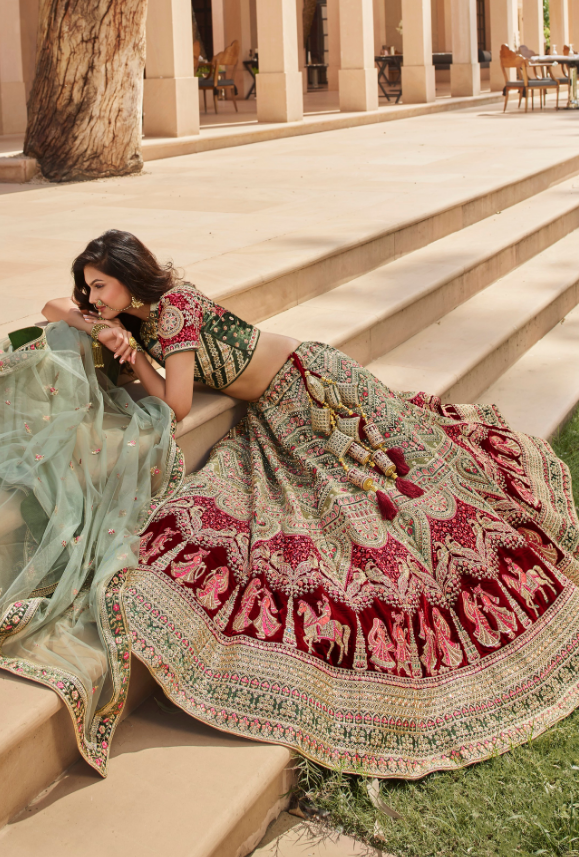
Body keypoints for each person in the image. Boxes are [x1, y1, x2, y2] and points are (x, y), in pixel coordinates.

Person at [2, 229, 579, 780]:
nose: (92, 296)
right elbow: (55, 307)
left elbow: (175, 406)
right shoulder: (132, 313)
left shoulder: (174, 308)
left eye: (101, 285)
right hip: (274, 404)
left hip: (309, 386)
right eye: (90, 286)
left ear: (129, 278)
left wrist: (129, 354)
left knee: (395, 496)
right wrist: (98, 324)